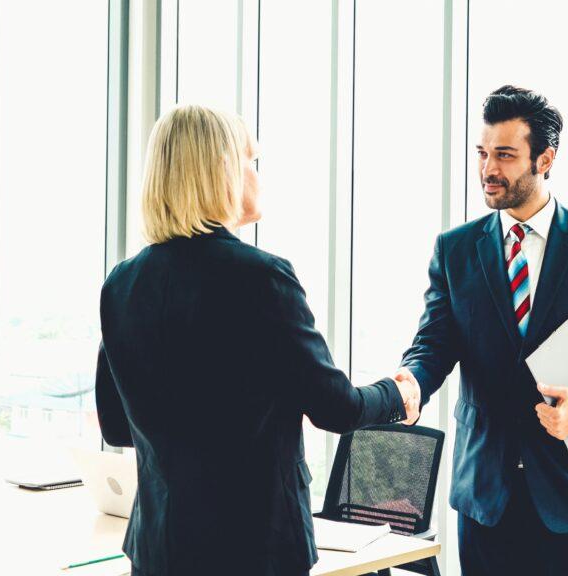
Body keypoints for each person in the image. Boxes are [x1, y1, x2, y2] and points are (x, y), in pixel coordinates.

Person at [94, 104, 420, 576]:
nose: (258, 175)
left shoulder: (121, 284)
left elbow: (116, 427)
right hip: (251, 548)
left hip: (159, 548)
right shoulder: (260, 278)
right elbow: (337, 408)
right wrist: (398, 392)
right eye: (252, 161)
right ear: (221, 171)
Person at [396, 85, 568, 574]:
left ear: (544, 159)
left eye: (504, 155)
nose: (487, 169)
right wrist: (413, 380)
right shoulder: (455, 249)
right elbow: (434, 344)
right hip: (487, 497)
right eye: (482, 153)